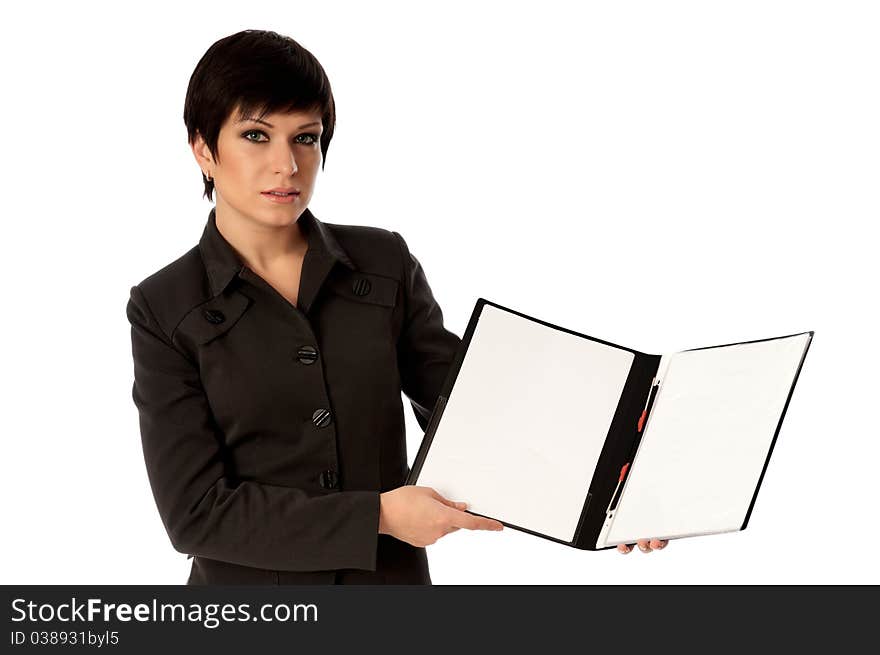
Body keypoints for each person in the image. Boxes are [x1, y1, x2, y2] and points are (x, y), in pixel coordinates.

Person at [126, 29, 664, 586]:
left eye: (305, 138)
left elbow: (472, 411)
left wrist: (614, 492)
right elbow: (195, 514)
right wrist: (378, 516)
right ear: (203, 148)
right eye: (256, 135)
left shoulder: (382, 262)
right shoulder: (163, 307)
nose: (286, 164)